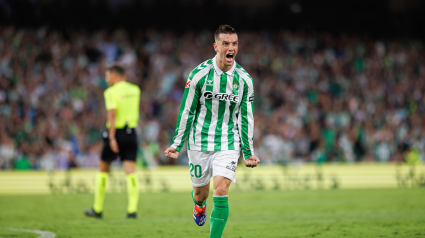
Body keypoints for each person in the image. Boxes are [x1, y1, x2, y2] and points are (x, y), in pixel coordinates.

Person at [164, 25, 260, 238]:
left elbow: (246, 118)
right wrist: (176, 144)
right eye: (225, 43)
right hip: (199, 141)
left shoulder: (244, 80)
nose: (231, 47)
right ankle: (199, 205)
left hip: (228, 141)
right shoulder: (199, 75)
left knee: (221, 190)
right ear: (216, 46)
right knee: (201, 193)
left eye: (234, 43)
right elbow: (186, 110)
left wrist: (248, 151)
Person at [84, 63, 141, 219]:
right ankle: (132, 210)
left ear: (115, 76)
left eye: (107, 75)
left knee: (103, 169)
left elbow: (112, 115)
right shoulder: (135, 90)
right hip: (131, 134)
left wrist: (112, 137)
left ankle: (97, 209)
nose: (106, 78)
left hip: (116, 132)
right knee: (130, 172)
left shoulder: (111, 92)